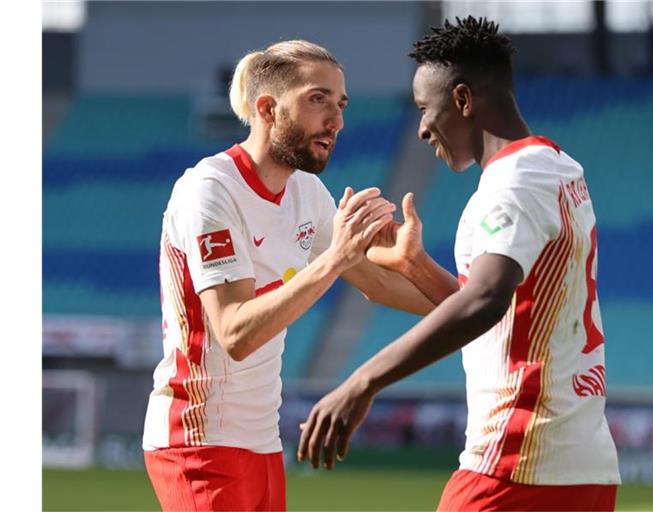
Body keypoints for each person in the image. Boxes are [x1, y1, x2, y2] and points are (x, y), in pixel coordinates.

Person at [297, 17, 621, 511]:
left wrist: (363, 382)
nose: (423, 128)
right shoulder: (560, 168)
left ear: (464, 100)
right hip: (581, 464)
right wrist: (416, 265)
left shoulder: (512, 183)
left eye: (427, 108)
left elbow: (487, 301)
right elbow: (507, 311)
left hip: (518, 458)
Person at [142, 40, 456, 511]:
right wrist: (335, 259)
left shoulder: (306, 193)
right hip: (199, 439)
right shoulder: (210, 190)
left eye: (341, 104)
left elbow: (379, 283)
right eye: (318, 99)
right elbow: (235, 333)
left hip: (262, 443)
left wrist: (483, 305)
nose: (336, 120)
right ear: (267, 108)